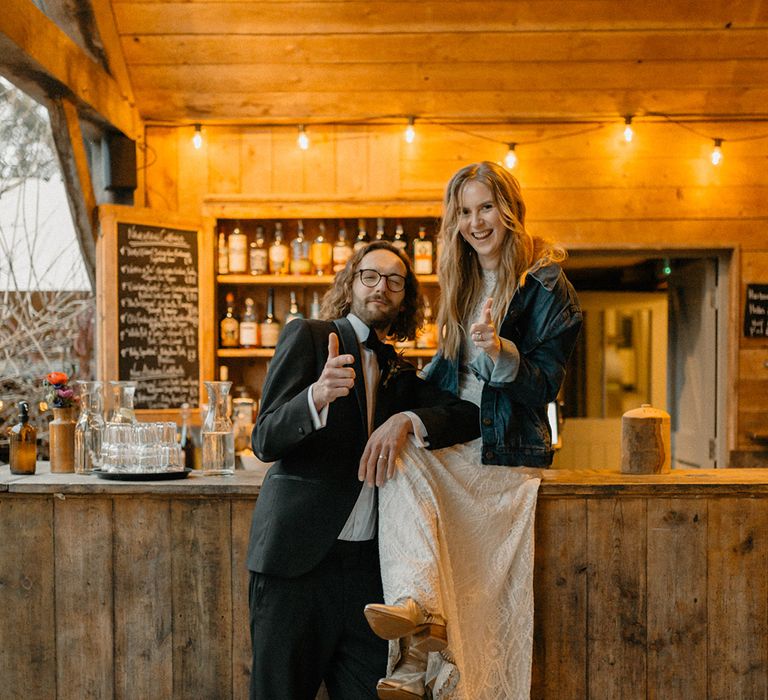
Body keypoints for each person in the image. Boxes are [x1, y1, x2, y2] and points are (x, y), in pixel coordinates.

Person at [363, 162, 583, 699]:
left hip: (505, 448)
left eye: (485, 207)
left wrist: (500, 353)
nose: (475, 222)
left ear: (508, 208)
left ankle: (417, 655)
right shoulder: (461, 279)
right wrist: (389, 391)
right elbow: (446, 378)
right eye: (464, 211)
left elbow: (546, 385)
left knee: (481, 606)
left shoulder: (549, 287)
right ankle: (418, 632)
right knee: (400, 456)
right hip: (459, 437)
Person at [246, 241, 480, 700]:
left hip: (368, 577)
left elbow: (467, 415)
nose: (382, 287)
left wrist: (406, 420)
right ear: (351, 283)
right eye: (371, 275)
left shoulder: (397, 370)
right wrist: (315, 396)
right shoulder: (310, 336)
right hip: (296, 566)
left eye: (395, 281)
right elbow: (264, 439)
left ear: (405, 297)